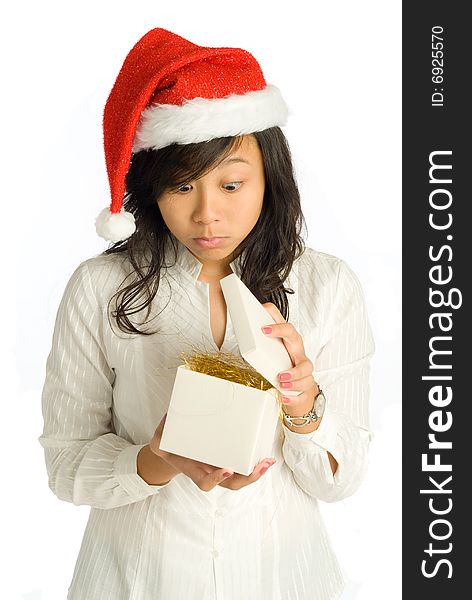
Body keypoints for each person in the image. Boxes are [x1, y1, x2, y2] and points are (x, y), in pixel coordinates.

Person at [38, 27, 375, 600]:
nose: (207, 215)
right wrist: (155, 460)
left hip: (282, 578)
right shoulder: (100, 288)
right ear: (151, 188)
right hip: (137, 579)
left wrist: (302, 406)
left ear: (270, 176)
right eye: (181, 185)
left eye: (232, 183)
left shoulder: (326, 286)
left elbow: (342, 483)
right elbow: (66, 468)